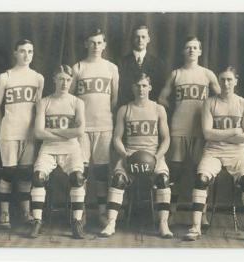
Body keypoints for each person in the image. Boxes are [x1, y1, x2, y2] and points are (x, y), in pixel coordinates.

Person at [184, 67, 244, 243]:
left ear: (236, 81)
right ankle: (195, 227)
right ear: (218, 82)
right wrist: (235, 130)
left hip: (237, 153)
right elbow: (207, 134)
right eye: (222, 80)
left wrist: (220, 133)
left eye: (229, 79)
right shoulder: (210, 102)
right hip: (213, 151)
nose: (225, 83)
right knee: (201, 178)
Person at [99, 72, 173, 238]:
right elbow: (117, 138)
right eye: (138, 86)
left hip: (154, 155)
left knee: (163, 179)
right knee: (118, 179)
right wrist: (125, 156)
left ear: (150, 88)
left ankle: (163, 223)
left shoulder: (158, 109)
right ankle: (111, 223)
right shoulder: (125, 109)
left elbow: (166, 139)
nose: (141, 89)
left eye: (144, 85)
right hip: (130, 154)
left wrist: (157, 157)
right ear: (133, 88)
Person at [158, 36, 220, 225]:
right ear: (183, 52)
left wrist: (209, 115)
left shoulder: (208, 74)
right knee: (175, 170)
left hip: (200, 130)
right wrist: (177, 109)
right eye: (188, 47)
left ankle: (202, 214)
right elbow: (161, 98)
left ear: (200, 51)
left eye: (195, 47)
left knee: (200, 171)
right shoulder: (176, 74)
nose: (192, 50)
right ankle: (172, 210)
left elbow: (221, 99)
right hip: (178, 127)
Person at [29, 65, 86, 239]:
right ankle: (37, 221)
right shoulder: (44, 102)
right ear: (54, 79)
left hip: (71, 149)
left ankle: (76, 222)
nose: (65, 83)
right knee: (38, 177)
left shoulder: (77, 102)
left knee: (77, 178)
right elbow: (38, 133)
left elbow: (79, 131)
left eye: (68, 80)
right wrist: (65, 134)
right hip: (49, 148)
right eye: (61, 79)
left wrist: (52, 132)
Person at [0, 39, 44, 228]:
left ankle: (25, 212)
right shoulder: (5, 77)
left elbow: (39, 109)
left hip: (29, 135)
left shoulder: (38, 78)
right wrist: (5, 127)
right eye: (22, 51)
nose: (26, 55)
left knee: (26, 174)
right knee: (8, 172)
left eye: (30, 51)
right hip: (9, 133)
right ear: (15, 53)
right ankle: (4, 213)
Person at [71, 28, 119, 226]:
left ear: (104, 45)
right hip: (82, 128)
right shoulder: (78, 67)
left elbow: (114, 99)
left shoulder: (111, 68)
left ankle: (101, 212)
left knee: (100, 171)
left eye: (99, 43)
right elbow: (70, 98)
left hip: (104, 126)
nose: (95, 46)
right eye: (92, 42)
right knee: (80, 171)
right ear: (85, 44)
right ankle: (79, 214)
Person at [118, 24, 166, 106]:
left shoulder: (158, 63)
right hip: (129, 109)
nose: (140, 40)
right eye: (137, 37)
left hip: (151, 110)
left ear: (148, 39)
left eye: (143, 37)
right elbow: (120, 91)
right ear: (132, 39)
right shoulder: (122, 63)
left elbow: (159, 91)